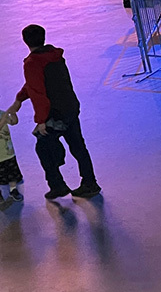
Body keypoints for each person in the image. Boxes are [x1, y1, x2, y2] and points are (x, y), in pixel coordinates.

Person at [8, 24, 101, 200]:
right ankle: (90, 183)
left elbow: (38, 92)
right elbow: (38, 84)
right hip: (70, 107)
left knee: (42, 147)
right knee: (78, 146)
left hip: (55, 113)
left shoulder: (32, 63)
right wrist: (19, 99)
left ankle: (57, 185)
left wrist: (41, 120)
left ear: (24, 40)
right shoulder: (55, 55)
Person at [0, 107, 23, 203]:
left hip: (8, 151)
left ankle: (13, 189)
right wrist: (5, 117)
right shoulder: (3, 115)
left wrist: (13, 114)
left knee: (12, 172)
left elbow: (13, 122)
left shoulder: (1, 113)